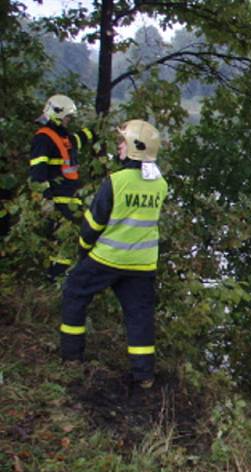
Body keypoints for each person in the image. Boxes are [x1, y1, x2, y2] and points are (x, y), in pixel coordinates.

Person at [60, 120, 168, 389]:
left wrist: (84, 250)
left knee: (74, 292)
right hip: (142, 264)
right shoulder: (160, 184)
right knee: (140, 315)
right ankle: (143, 375)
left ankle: (71, 358)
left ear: (133, 147)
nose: (119, 146)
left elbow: (93, 224)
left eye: (122, 142)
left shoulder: (115, 182)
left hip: (107, 258)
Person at [29, 94, 95, 279]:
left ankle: (61, 282)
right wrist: (46, 200)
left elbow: (78, 140)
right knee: (61, 246)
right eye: (67, 117)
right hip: (57, 203)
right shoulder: (43, 139)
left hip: (70, 202)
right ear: (56, 115)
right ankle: (55, 281)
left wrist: (97, 129)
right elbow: (37, 174)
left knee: (67, 246)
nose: (68, 121)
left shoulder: (63, 138)